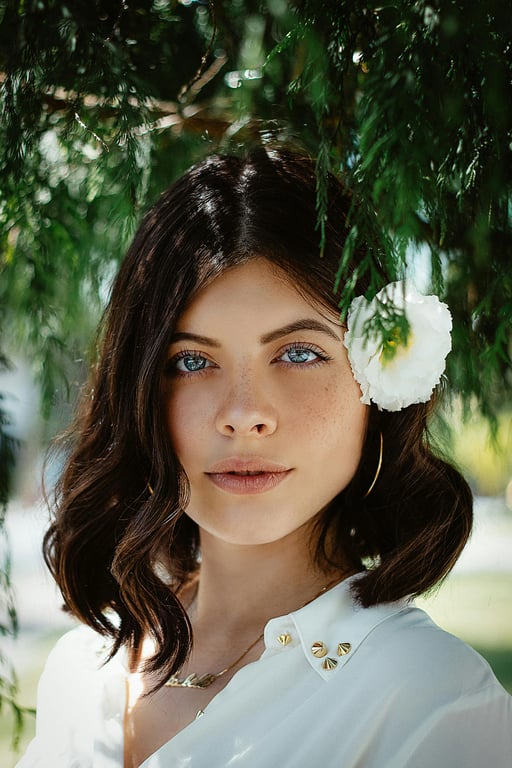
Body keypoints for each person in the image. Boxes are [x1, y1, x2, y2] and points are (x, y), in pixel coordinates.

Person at [18, 146, 512, 767]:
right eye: (192, 361)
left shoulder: (431, 699)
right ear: (140, 392)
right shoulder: (83, 668)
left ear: (377, 383)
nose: (244, 412)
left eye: (299, 353)